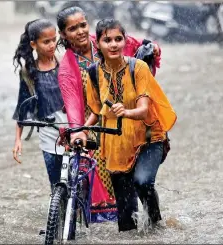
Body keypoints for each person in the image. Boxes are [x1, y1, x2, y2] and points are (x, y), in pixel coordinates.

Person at [56, 6, 162, 222]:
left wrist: (151, 48)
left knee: (140, 181)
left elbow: (135, 46)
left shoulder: (105, 39)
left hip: (131, 121)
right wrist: (79, 131)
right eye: (72, 28)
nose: (80, 32)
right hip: (96, 129)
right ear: (64, 34)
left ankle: (153, 222)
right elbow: (73, 103)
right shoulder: (68, 68)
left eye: (83, 25)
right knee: (116, 190)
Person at [84, 19, 177, 232]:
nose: (114, 44)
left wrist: (126, 112)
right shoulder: (93, 73)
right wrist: (81, 130)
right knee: (125, 223)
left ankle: (157, 225)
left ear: (125, 41)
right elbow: (97, 111)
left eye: (118, 39)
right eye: (107, 40)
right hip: (116, 144)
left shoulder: (139, 67)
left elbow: (144, 108)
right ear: (97, 44)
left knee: (143, 181)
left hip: (148, 137)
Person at [12, 19, 67, 191]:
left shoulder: (65, 64)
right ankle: (57, 215)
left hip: (73, 128)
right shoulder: (28, 72)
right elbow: (23, 105)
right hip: (48, 132)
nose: (52, 45)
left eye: (54, 40)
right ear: (34, 44)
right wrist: (18, 140)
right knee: (56, 183)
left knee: (75, 181)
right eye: (46, 41)